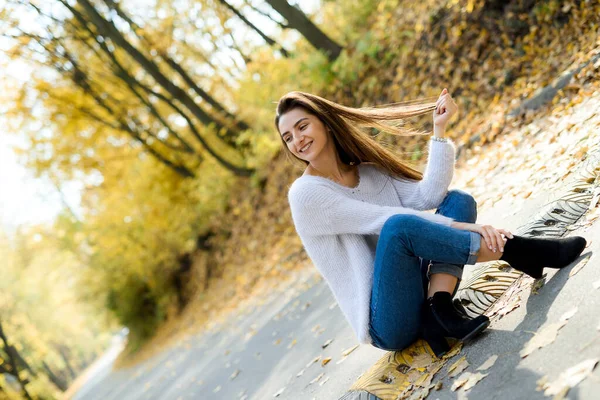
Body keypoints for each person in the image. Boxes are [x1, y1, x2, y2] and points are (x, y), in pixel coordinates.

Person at [275, 89, 587, 357]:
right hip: (387, 319)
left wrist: (439, 130)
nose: (297, 140)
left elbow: (429, 195)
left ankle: (438, 309)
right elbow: (386, 222)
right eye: (288, 137)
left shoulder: (369, 172)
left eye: (302, 127)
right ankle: (522, 250)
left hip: (417, 285)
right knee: (398, 227)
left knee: (458, 200)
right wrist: (471, 228)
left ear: (326, 124)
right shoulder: (306, 195)